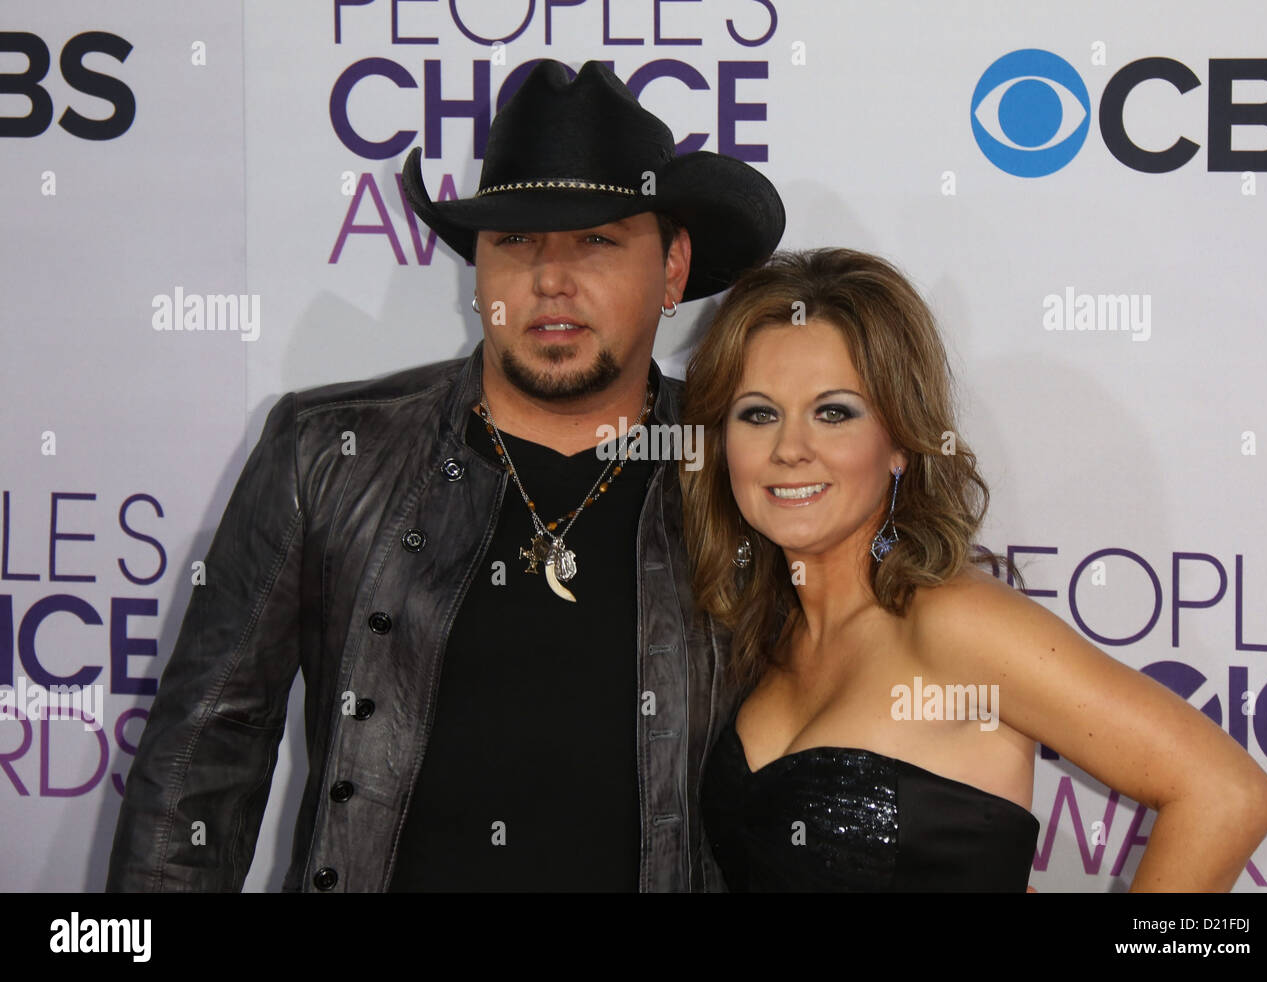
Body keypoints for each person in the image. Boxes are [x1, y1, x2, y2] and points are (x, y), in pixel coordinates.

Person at [105, 59, 784, 892]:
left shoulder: (744, 470)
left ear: (673, 267)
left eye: (598, 240)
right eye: (516, 241)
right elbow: (203, 755)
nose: (550, 280)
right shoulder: (327, 452)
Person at [682, 248, 1267, 891]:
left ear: (901, 446)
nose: (789, 449)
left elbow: (1226, 793)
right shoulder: (767, 634)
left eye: (834, 412)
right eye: (758, 413)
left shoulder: (952, 620)